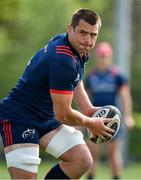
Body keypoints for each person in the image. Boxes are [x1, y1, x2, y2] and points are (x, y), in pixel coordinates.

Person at [0, 9, 115, 179]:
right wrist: (91, 123)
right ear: (70, 29)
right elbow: (63, 114)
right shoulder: (63, 59)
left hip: (45, 117)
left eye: (93, 35)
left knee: (81, 159)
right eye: (83, 33)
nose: (88, 40)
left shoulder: (74, 47)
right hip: (19, 117)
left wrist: (88, 108)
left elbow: (74, 79)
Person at [85, 42, 135, 179]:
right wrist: (82, 119)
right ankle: (90, 177)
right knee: (91, 154)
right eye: (100, 56)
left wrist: (128, 116)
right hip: (94, 119)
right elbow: (86, 98)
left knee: (113, 154)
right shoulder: (91, 76)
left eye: (105, 56)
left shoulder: (117, 75)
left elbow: (125, 97)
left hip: (114, 120)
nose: (103, 59)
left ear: (110, 57)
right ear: (96, 57)